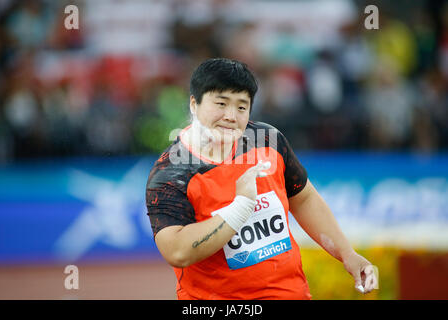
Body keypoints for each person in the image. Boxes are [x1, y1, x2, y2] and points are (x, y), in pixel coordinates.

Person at [146, 58, 377, 300]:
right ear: (194, 103)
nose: (231, 116)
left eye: (241, 107)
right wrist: (241, 207)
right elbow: (177, 251)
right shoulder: (170, 174)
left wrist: (347, 254)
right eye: (221, 104)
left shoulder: (268, 139)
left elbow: (304, 198)